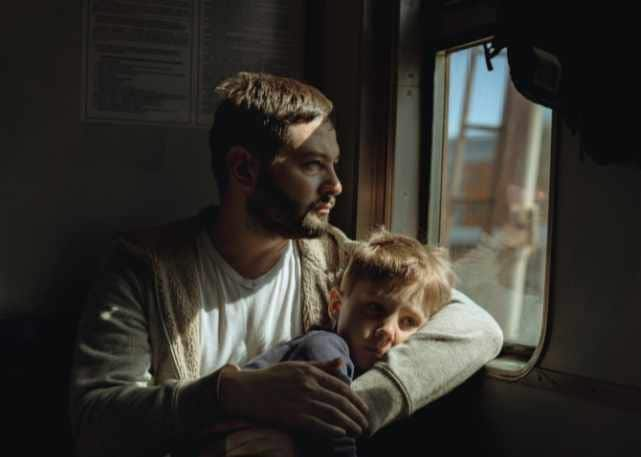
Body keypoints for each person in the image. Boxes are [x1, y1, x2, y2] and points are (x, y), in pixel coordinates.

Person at [69, 72, 504, 457]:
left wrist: (342, 413)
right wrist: (230, 394)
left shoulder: (339, 261)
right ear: (244, 170)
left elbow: (478, 328)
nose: (335, 185)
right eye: (313, 164)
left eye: (334, 164)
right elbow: (94, 422)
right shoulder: (146, 268)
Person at [202, 228, 457, 457]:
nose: (388, 330)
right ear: (336, 305)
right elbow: (334, 426)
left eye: (409, 322)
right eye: (374, 309)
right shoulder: (326, 348)